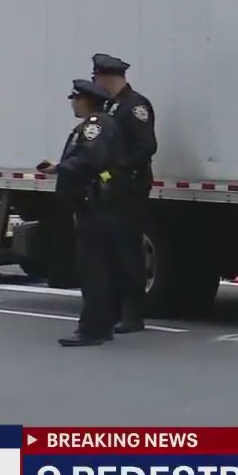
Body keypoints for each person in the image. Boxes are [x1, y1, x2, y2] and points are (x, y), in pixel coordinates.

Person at [37, 80, 127, 347]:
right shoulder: (102, 124)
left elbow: (91, 159)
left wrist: (59, 168)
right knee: (102, 267)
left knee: (94, 269)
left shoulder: (94, 126)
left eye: (75, 99)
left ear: (86, 100)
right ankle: (104, 324)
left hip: (94, 205)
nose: (73, 103)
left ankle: (92, 329)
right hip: (101, 204)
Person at [90, 53, 157, 334]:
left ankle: (133, 313)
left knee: (129, 252)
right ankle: (115, 308)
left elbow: (147, 146)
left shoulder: (134, 106)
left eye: (97, 77)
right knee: (112, 252)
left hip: (129, 188)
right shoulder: (113, 106)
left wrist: (120, 168)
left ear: (107, 77)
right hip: (111, 188)